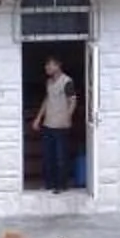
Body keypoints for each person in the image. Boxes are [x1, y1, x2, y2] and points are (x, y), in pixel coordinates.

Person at [31, 57, 80, 192]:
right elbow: (47, 99)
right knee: (48, 156)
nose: (47, 68)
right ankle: (49, 183)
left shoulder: (67, 82)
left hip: (61, 126)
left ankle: (61, 185)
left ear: (58, 66)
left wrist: (67, 117)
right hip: (48, 124)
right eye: (46, 65)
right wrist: (38, 118)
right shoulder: (49, 82)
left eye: (50, 65)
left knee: (61, 157)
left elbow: (73, 101)